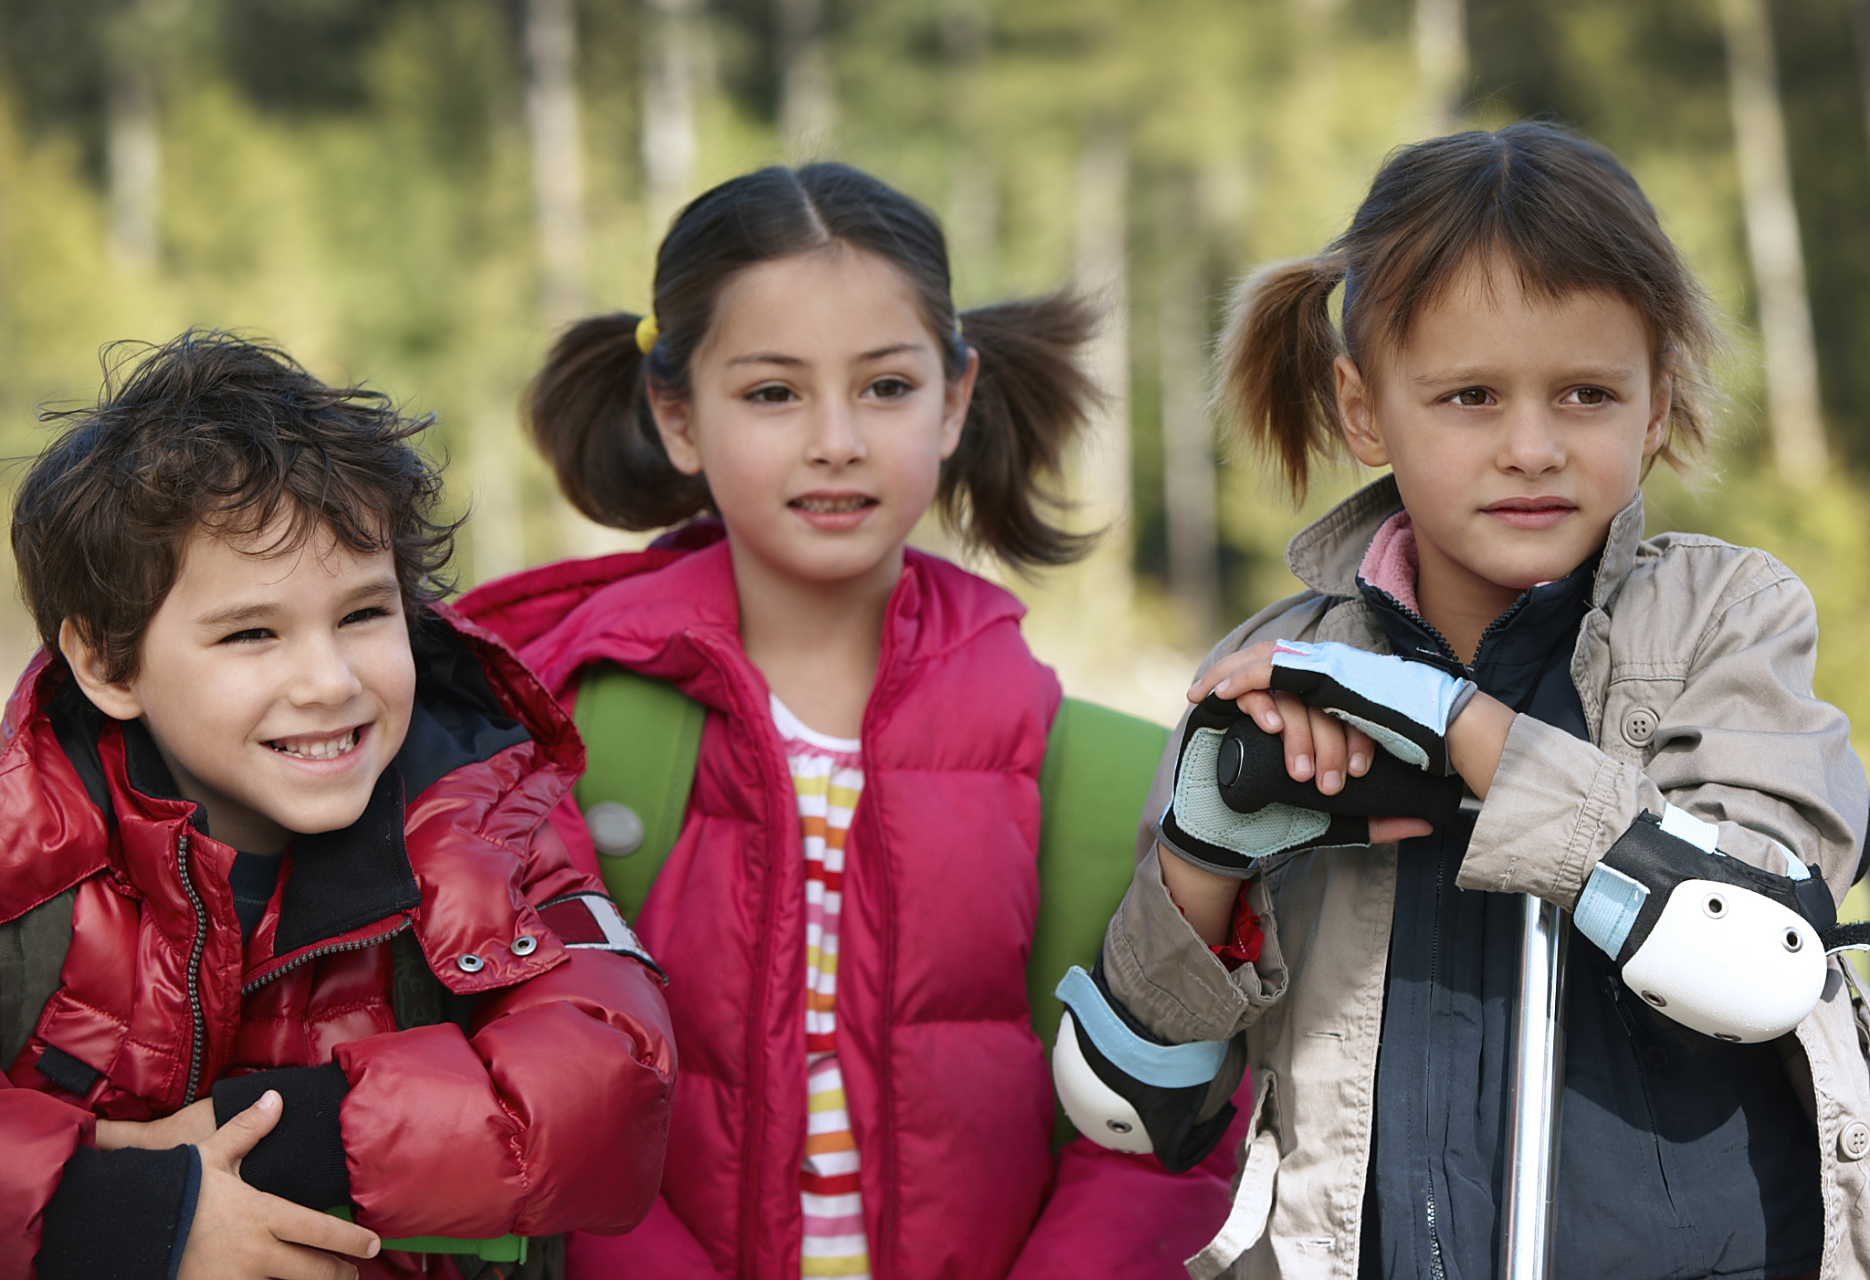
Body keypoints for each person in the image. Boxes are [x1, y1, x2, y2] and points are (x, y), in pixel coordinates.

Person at [1066, 123, 1870, 1280]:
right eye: (1470, 395)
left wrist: (1458, 728)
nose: (1531, 446)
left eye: (1586, 392)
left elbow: (1758, 956)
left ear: (1653, 406)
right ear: (1362, 408)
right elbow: (1132, 1107)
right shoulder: (1276, 669)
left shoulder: (1725, 616)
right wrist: (1206, 852)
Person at [459, 162, 1243, 1280]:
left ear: (953, 401)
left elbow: (1161, 1130)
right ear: (678, 417)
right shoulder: (548, 737)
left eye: (885, 386)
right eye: (773, 393)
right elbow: (540, 1104)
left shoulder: (1093, 773)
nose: (836, 439)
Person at [0, 333, 676, 1280]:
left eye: (362, 614)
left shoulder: (490, 821)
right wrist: (134, 1214)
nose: (329, 682)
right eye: (251, 633)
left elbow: (610, 1085)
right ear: (108, 665)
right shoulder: (24, 845)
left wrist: (265, 1135)